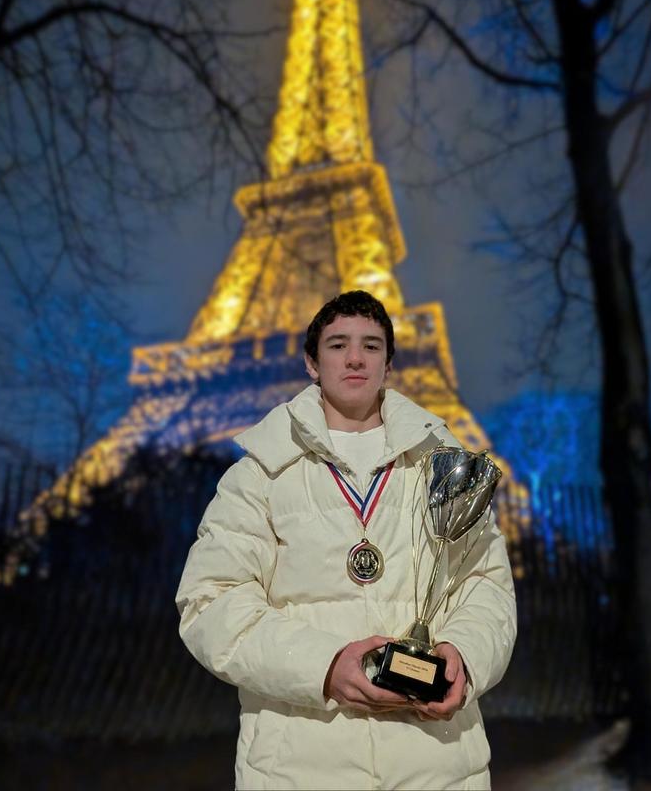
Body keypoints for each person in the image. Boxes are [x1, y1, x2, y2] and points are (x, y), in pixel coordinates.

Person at [176, 290, 516, 790]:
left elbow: (486, 585)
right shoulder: (258, 475)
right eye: (338, 345)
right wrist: (325, 667)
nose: (355, 357)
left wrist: (464, 655)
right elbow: (210, 602)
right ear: (312, 364)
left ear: (389, 364)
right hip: (301, 767)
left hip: (436, 765)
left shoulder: (446, 466)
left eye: (371, 346)